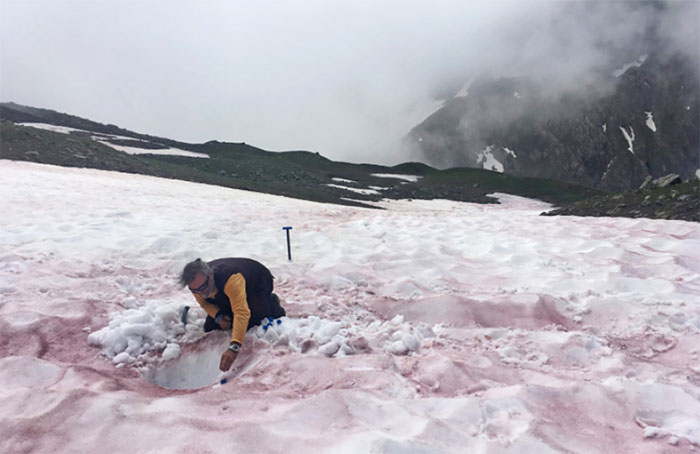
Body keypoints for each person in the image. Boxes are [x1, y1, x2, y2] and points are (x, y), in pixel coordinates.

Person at [179, 257, 286, 372]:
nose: (200, 293)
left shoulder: (231, 279)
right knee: (211, 327)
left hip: (257, 283)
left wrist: (234, 347)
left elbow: (242, 313)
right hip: (226, 291)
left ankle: (271, 304)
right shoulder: (196, 285)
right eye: (195, 290)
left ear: (211, 274)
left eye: (203, 287)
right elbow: (205, 304)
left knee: (251, 321)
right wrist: (218, 316)